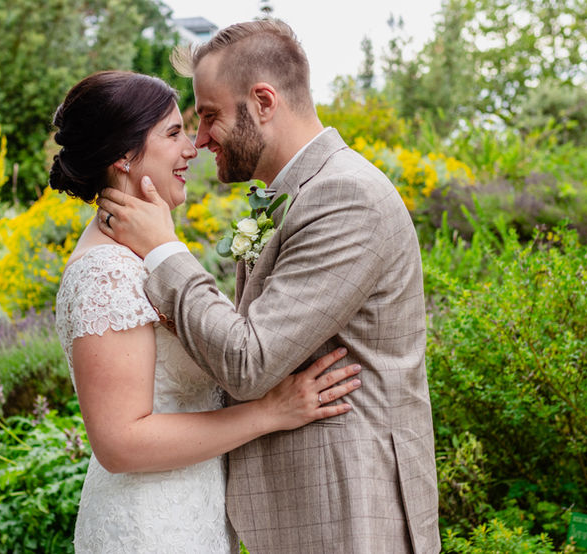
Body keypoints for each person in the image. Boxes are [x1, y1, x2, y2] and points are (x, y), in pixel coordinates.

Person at [96, 20, 440, 553]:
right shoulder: (296, 193)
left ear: (262, 102)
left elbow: (248, 361)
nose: (201, 137)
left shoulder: (345, 197)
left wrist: (165, 251)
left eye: (209, 115)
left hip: (348, 514)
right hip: (305, 510)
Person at [51, 70, 363, 553]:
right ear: (124, 155)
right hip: (149, 526)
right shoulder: (106, 272)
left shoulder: (147, 252)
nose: (192, 147)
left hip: (192, 511)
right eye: (173, 133)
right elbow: (120, 442)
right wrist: (269, 413)